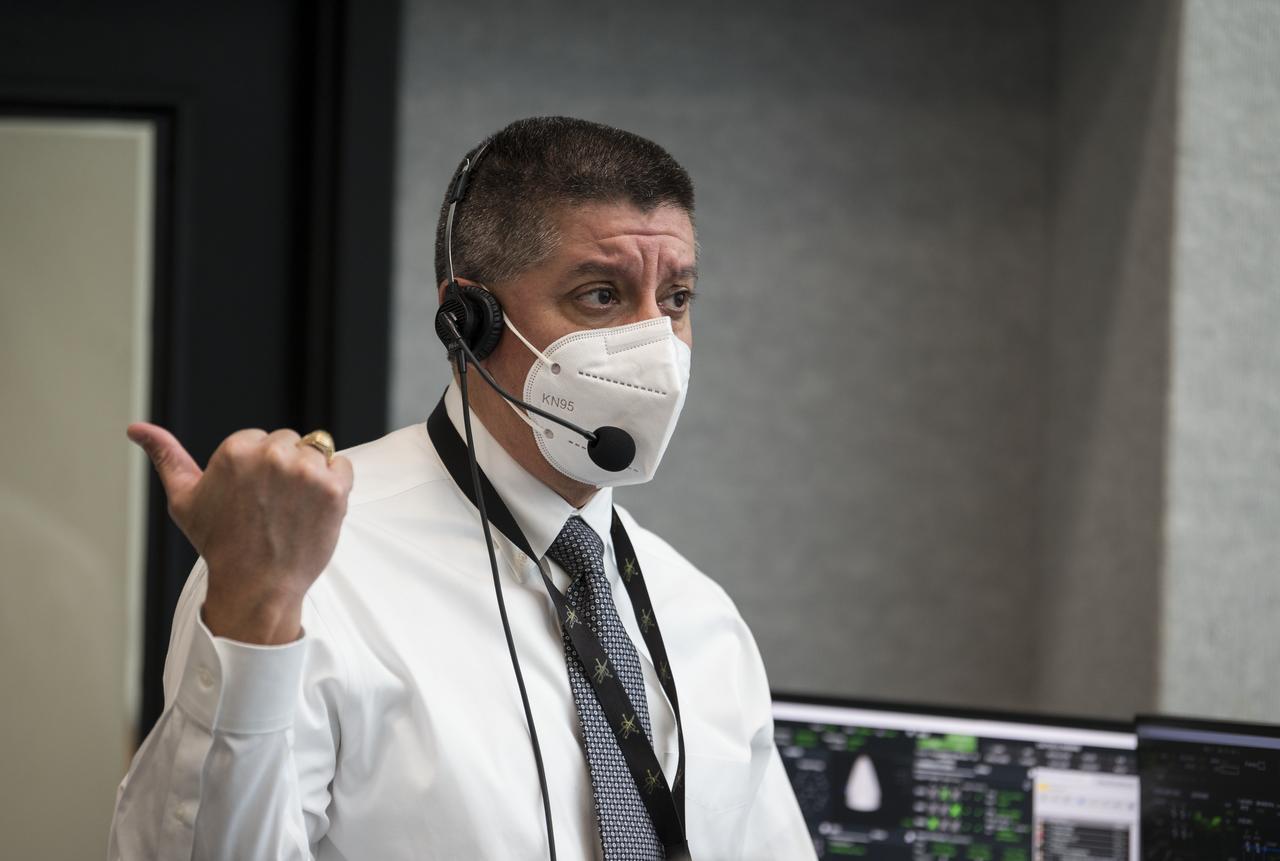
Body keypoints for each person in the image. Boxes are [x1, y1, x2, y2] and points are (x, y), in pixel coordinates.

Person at [108, 116, 815, 860]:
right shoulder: (304, 573)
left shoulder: (700, 617)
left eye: (675, 299)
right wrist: (252, 614)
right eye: (601, 295)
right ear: (468, 321)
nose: (655, 345)